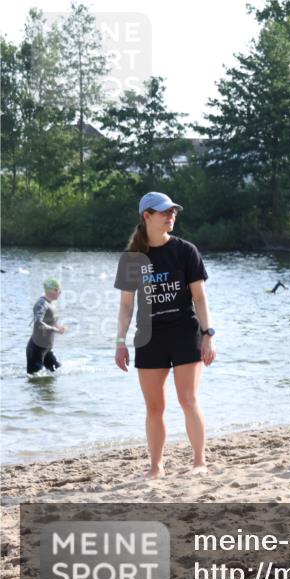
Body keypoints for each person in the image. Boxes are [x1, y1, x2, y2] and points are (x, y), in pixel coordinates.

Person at [114, 192, 216, 480]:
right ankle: (156, 467)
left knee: (188, 399)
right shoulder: (132, 258)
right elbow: (125, 306)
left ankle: (199, 461)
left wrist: (208, 334)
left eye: (173, 211)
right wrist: (119, 343)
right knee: (154, 407)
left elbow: (200, 298)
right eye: (164, 212)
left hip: (185, 332)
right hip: (149, 337)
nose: (171, 216)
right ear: (147, 216)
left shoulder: (186, 251)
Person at [26, 277, 67, 374]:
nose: (60, 292)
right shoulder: (41, 304)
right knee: (34, 380)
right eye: (57, 290)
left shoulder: (52, 304)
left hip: (47, 349)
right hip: (36, 349)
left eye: (60, 290)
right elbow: (38, 323)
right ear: (50, 290)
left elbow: (51, 321)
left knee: (58, 371)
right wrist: (55, 330)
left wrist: (59, 327)